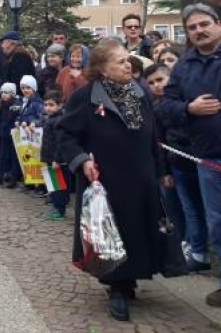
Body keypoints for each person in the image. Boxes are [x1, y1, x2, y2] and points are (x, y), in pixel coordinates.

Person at [57, 38, 164, 322]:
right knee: (112, 232)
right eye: (120, 61)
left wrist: (160, 172)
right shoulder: (87, 96)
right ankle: (116, 286)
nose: (128, 65)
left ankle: (130, 280)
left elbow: (153, 136)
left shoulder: (139, 92)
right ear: (103, 69)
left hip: (140, 175)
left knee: (137, 229)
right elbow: (65, 133)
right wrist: (82, 160)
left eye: (128, 60)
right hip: (106, 179)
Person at [161, 4, 221, 306]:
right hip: (209, 159)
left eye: (204, 24)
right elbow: (166, 106)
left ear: (218, 24)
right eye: (193, 27)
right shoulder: (183, 66)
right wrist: (189, 109)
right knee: (217, 221)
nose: (200, 30)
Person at [146, 63, 209, 273]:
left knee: (208, 210)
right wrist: (164, 171)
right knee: (190, 210)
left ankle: (203, 248)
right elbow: (160, 140)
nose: (156, 86)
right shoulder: (156, 109)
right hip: (178, 164)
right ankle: (196, 250)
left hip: (202, 159)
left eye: (160, 80)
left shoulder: (189, 98)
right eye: (151, 83)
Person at [39, 90, 69, 221]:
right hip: (49, 157)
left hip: (56, 160)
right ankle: (56, 207)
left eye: (51, 105)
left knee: (59, 187)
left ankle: (60, 210)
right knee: (53, 185)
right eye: (45, 105)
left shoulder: (59, 121)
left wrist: (57, 159)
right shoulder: (50, 119)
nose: (47, 108)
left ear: (60, 105)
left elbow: (60, 142)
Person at [0, 82, 22, 188]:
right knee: (2, 156)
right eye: (2, 92)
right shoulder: (1, 105)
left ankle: (13, 178)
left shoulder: (16, 106)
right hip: (4, 135)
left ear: (12, 94)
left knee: (14, 157)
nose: (3, 95)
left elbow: (16, 119)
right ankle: (0, 175)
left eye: (6, 93)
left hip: (13, 135)